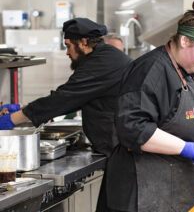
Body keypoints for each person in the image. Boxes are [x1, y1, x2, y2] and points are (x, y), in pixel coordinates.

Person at [97, 0, 194, 212]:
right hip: (141, 192)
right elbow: (133, 129)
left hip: (181, 189)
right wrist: (185, 147)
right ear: (185, 41)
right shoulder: (150, 71)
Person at [0, 18, 132, 157]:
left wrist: (12, 119)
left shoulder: (102, 62)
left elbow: (65, 98)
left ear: (84, 42)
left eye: (68, 46)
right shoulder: (104, 56)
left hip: (122, 148)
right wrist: (22, 107)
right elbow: (75, 97)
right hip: (119, 146)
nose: (67, 52)